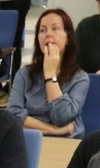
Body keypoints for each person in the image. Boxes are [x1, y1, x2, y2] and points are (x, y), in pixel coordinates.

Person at [7, 9, 90, 139]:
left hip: (65, 141)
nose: (48, 34)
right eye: (42, 30)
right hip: (29, 139)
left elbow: (62, 118)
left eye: (55, 28)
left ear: (68, 38)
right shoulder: (24, 74)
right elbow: (12, 115)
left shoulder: (80, 78)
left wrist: (50, 76)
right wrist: (53, 130)